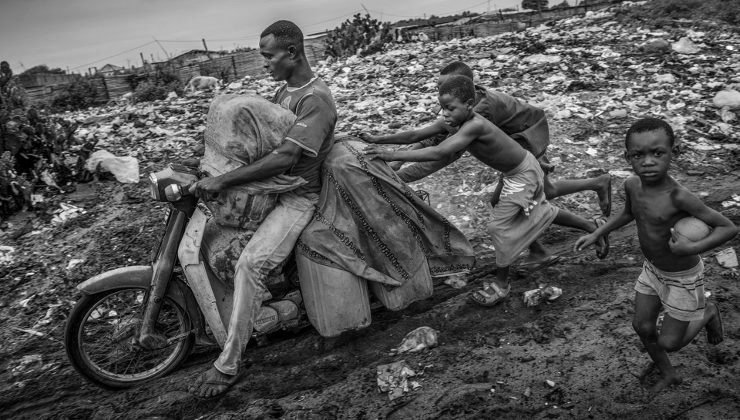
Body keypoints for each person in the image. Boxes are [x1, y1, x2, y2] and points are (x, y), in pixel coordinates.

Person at [188, 20, 337, 398]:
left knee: (250, 264)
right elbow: (258, 142)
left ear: (292, 52)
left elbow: (286, 155)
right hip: (273, 190)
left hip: (298, 197)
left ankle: (229, 362)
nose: (264, 63)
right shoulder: (285, 92)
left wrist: (224, 181)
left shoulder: (315, 99)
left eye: (268, 56)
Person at [365, 75, 607, 307]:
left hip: (523, 174)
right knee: (533, 209)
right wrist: (377, 139)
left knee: (499, 226)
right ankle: (591, 226)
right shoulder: (456, 120)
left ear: (470, 105)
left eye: (450, 108)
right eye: (442, 109)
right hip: (518, 171)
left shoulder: (474, 125)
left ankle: (502, 284)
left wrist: (391, 156)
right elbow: (417, 134)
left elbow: (440, 153)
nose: (444, 114)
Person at [575, 118, 738, 395]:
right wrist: (597, 232)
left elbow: (729, 227)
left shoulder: (679, 196)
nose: (648, 161)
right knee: (641, 325)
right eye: (638, 155)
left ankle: (708, 312)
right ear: (628, 157)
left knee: (671, 342)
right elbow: (629, 213)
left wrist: (692, 248)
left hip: (683, 277)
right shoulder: (632, 185)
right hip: (652, 270)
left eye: (657, 153)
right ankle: (668, 373)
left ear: (672, 153)